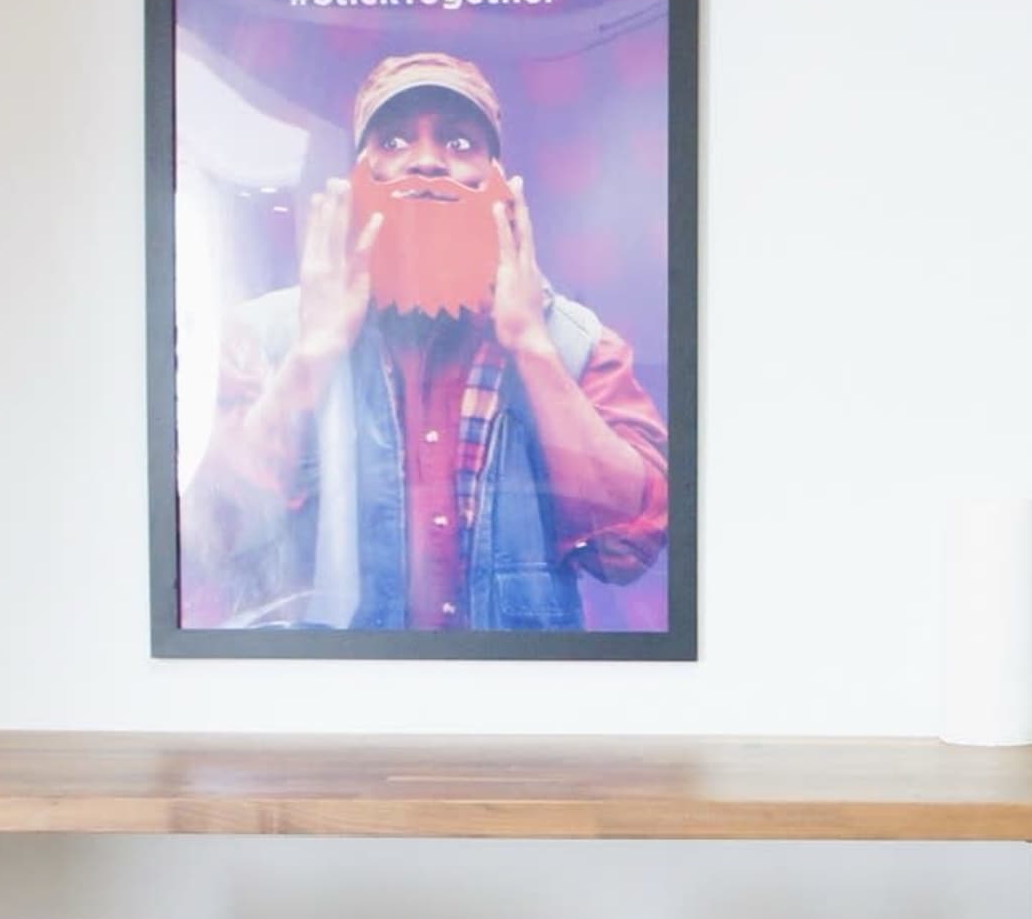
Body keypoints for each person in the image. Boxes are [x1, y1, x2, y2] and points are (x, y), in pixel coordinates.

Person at [186, 51, 669, 631]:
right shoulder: (260, 338)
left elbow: (629, 549)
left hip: (515, 705)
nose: (426, 163)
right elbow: (210, 535)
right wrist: (312, 354)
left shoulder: (577, 346)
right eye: (391, 142)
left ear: (502, 184)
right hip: (325, 704)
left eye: (460, 143)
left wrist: (532, 347)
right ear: (354, 180)